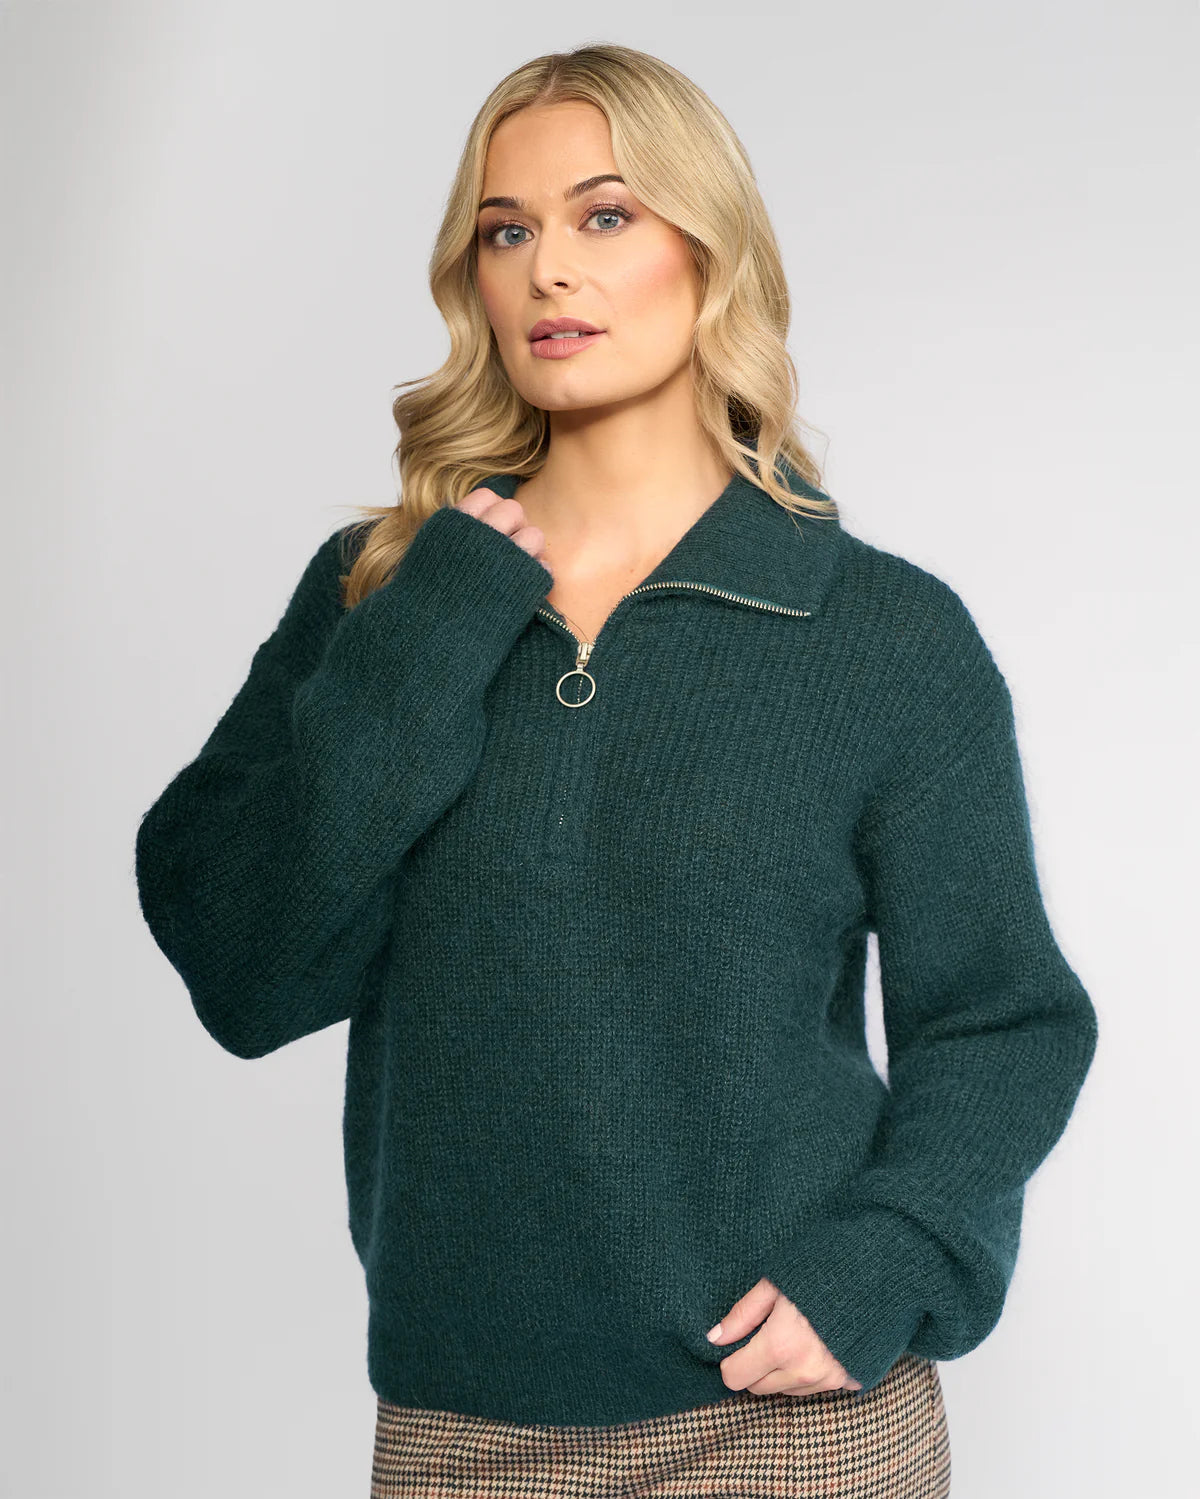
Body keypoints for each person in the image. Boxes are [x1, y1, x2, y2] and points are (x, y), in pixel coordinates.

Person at [134, 42, 1098, 1499]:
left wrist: (889, 1256)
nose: (547, 270)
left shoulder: (881, 634)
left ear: (708, 254)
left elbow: (1003, 1016)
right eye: (504, 230)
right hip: (465, 1429)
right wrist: (441, 620)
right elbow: (247, 972)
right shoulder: (382, 594)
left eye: (604, 216)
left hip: (790, 1424)